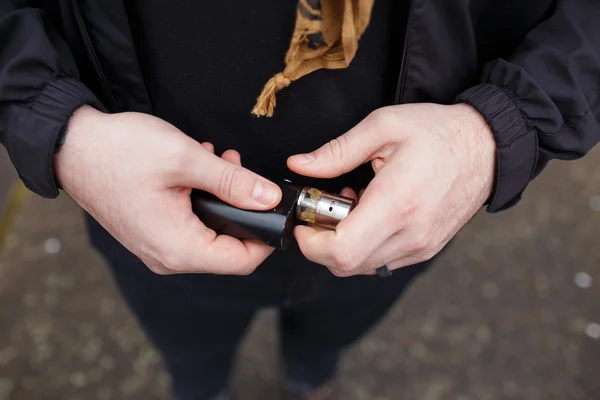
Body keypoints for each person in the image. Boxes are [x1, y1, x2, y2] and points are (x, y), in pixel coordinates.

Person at [1, 0, 599, 399]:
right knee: (187, 349)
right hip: (146, 211)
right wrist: (59, 127)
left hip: (399, 210)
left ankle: (311, 376)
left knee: (332, 336)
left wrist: (495, 131)